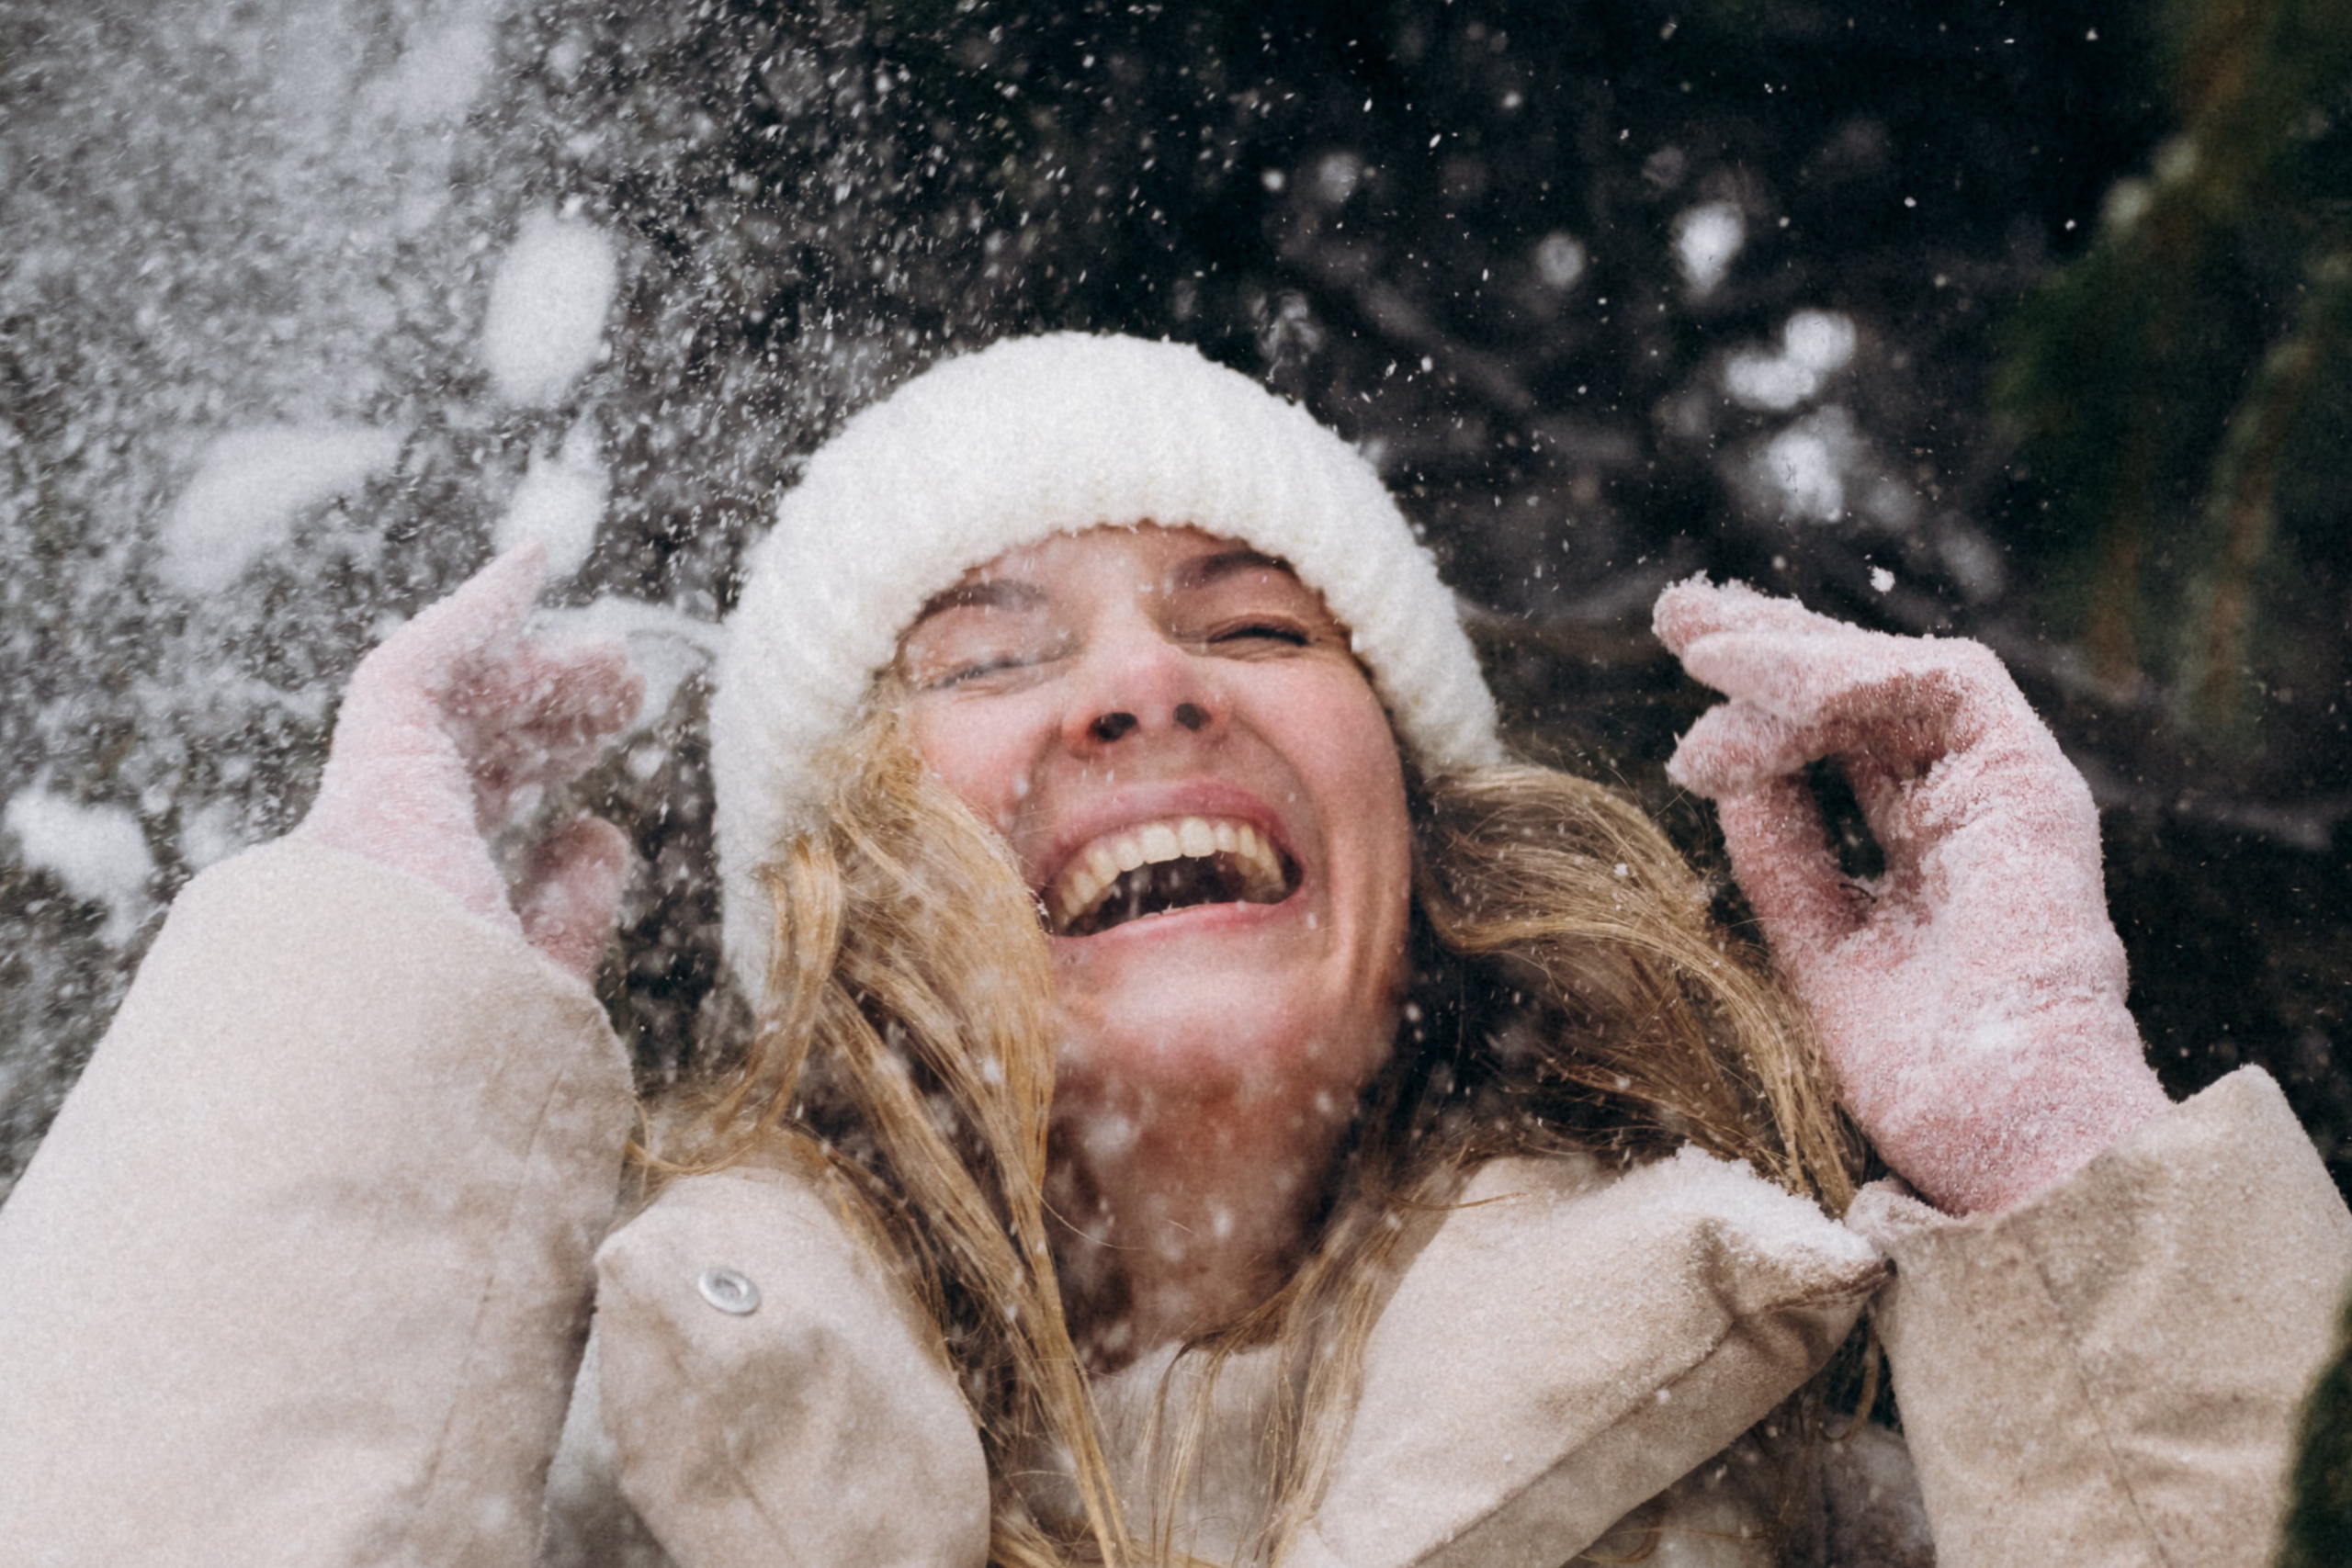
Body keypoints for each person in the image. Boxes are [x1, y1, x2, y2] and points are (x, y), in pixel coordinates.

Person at [0, 333, 2345, 1568]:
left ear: (1421, 849)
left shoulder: (1843, 1489)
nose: (1148, 684)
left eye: (1252, 617)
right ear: (823, 885)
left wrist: (2067, 1171)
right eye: (990, 651)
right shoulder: (571, 1511)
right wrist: (351, 1044)